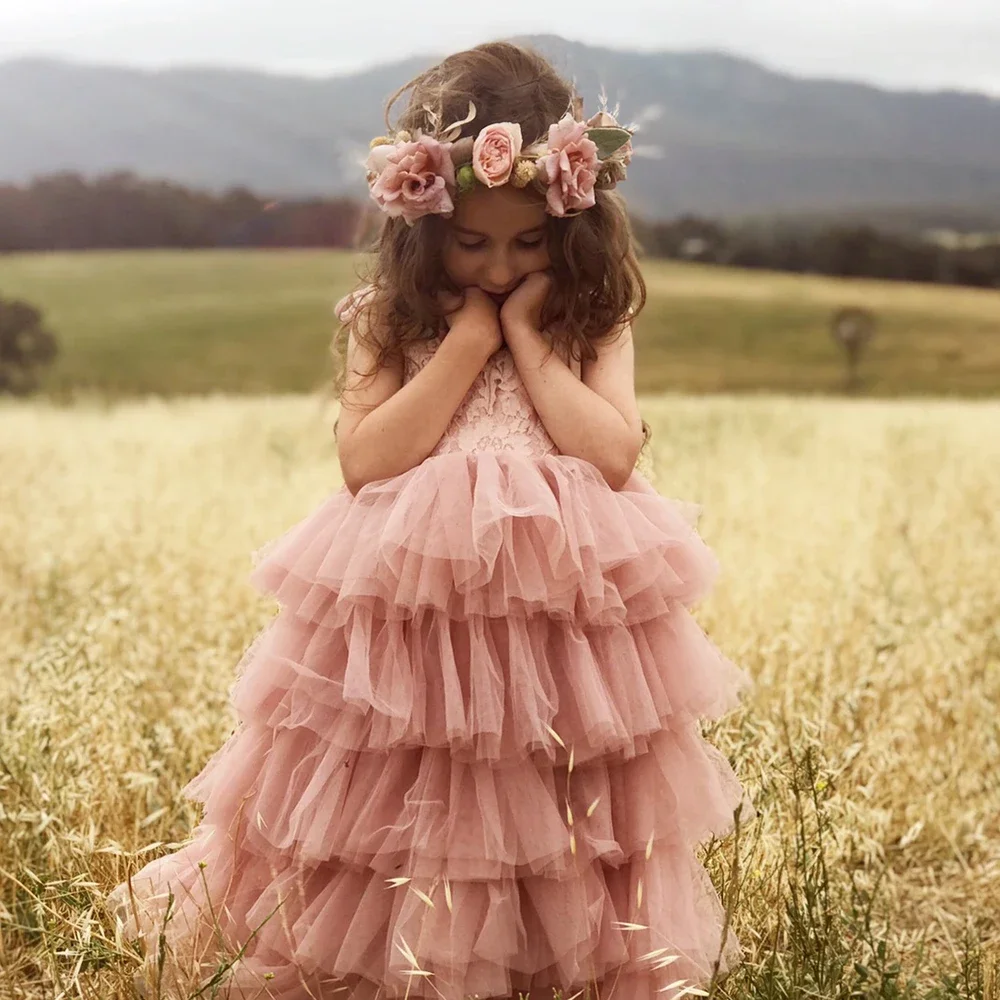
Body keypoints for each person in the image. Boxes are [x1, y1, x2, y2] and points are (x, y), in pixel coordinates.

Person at [106, 40, 755, 1000]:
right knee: (404, 785)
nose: (501, 264)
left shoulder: (589, 318)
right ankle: (388, 960)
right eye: (475, 241)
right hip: (410, 604)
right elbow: (368, 460)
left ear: (571, 226)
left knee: (554, 786)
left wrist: (531, 342)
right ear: (425, 225)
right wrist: (464, 342)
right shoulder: (389, 316)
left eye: (529, 241)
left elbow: (611, 453)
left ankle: (550, 963)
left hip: (560, 614)